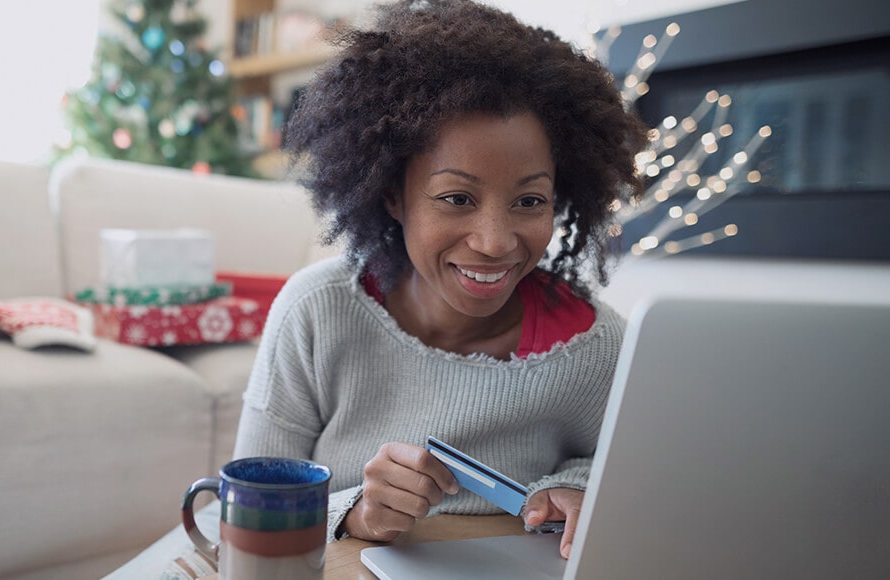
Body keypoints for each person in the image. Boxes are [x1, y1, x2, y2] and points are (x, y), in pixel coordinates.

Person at [112, 1, 645, 576]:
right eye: (457, 198)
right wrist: (357, 512)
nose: (495, 241)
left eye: (529, 201)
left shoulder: (598, 346)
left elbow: (628, 471)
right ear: (394, 195)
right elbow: (246, 508)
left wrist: (573, 489)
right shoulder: (317, 311)